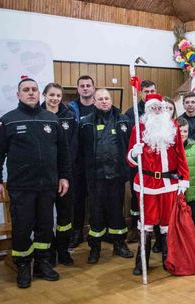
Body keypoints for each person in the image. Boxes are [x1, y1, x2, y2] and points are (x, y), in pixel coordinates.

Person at [0, 78, 71, 288]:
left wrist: (64, 176)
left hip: (47, 186)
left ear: (39, 94)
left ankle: (43, 263)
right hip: (21, 187)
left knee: (45, 227)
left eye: (34, 89)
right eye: (26, 90)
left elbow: (63, 152)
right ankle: (23, 265)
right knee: (22, 228)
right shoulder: (8, 120)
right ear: (18, 95)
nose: (31, 93)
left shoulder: (51, 119)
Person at [127, 94, 189, 276]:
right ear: (147, 109)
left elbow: (180, 155)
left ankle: (167, 259)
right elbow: (130, 162)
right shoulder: (138, 128)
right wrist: (133, 153)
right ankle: (142, 261)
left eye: (159, 107)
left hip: (169, 183)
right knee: (146, 224)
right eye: (152, 107)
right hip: (146, 184)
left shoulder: (173, 127)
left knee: (166, 224)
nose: (157, 110)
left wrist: (184, 179)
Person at [78, 88, 133, 264]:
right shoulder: (85, 123)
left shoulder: (124, 120)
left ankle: (119, 244)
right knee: (96, 214)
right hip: (95, 178)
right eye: (100, 99)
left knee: (117, 212)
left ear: (111, 100)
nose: (104, 101)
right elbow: (79, 151)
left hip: (117, 177)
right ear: (94, 101)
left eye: (106, 98)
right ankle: (95, 248)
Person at [41, 83, 77, 266]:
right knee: (45, 217)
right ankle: (49, 252)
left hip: (65, 175)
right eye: (51, 95)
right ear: (44, 95)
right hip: (44, 176)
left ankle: (63, 251)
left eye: (58, 95)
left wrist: (66, 172)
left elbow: (72, 146)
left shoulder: (69, 117)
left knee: (64, 217)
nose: (54, 98)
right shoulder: (37, 116)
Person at [124, 80, 157, 244]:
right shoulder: (132, 113)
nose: (149, 94)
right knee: (137, 197)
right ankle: (135, 229)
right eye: (146, 91)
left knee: (155, 197)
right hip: (138, 164)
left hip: (155, 164)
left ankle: (154, 228)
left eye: (152, 90)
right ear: (141, 93)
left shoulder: (159, 111)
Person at [68, 75, 96, 249]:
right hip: (76, 165)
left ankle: (97, 233)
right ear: (77, 89)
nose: (85, 88)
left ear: (93, 88)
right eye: (82, 86)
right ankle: (77, 233)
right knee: (77, 201)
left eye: (88, 85)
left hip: (96, 164)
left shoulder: (100, 108)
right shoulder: (70, 110)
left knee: (96, 200)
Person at [177, 117, 195, 241]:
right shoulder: (169, 149)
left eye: (185, 131)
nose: (182, 134)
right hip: (175, 194)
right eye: (180, 131)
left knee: (191, 220)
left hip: (191, 193)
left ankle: (191, 243)